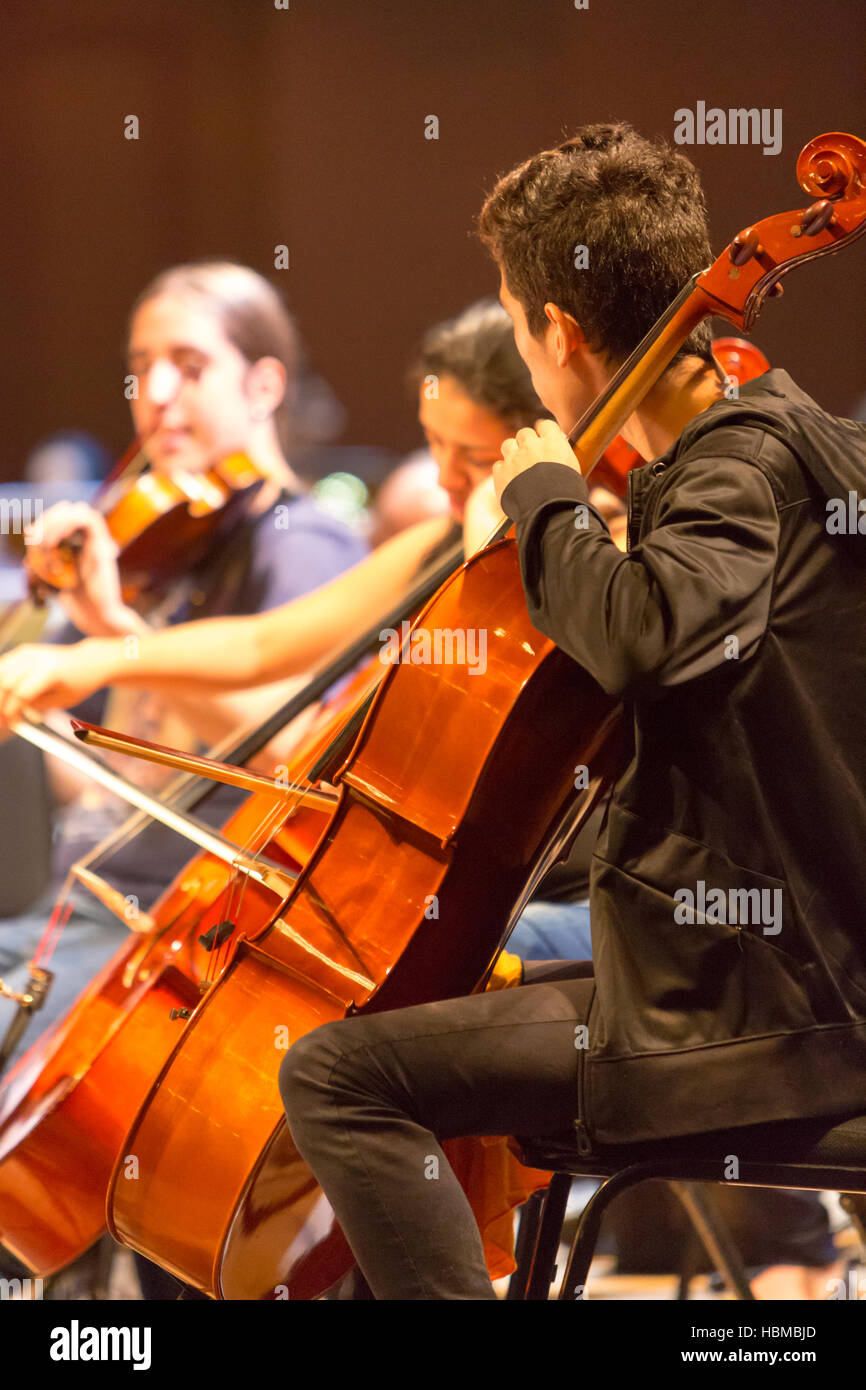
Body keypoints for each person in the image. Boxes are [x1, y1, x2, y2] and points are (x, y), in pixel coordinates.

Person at [264, 122, 866, 1300]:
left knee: (338, 1075)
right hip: (775, 986)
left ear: (559, 333)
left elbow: (639, 634)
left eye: (518, 327)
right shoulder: (801, 446)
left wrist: (543, 494)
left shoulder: (733, 469)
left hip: (749, 1025)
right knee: (463, 1003)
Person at [0, 260, 366, 1061]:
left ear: (264, 386)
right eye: (140, 369)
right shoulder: (169, 546)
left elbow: (300, 758)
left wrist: (120, 638)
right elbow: (100, 768)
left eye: (189, 366)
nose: (156, 393)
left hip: (174, 931)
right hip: (79, 906)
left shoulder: (301, 543)